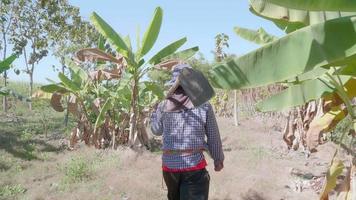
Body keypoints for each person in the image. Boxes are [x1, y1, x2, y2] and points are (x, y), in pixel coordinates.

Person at [150, 63, 224, 200]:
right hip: (194, 167)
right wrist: (218, 159)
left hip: (169, 167)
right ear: (193, 83)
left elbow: (156, 130)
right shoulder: (204, 106)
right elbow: (213, 136)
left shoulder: (163, 105)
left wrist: (154, 114)